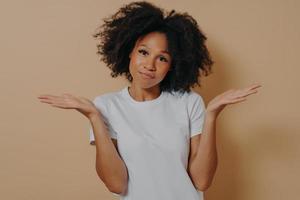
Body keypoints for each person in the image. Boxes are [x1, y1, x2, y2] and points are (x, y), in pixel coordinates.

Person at [37, 1, 262, 199]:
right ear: (129, 52)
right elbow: (116, 184)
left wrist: (212, 115)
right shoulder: (106, 106)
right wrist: (94, 117)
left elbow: (202, 181)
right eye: (143, 52)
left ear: (172, 65)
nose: (149, 65)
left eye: (162, 58)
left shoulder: (188, 102)